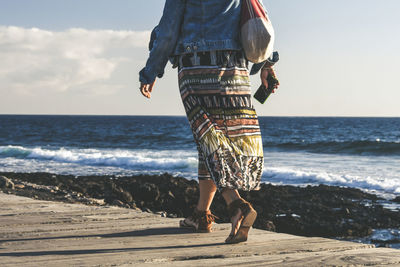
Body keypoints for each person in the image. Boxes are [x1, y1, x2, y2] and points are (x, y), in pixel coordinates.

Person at [139, 0, 279, 244]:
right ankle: (201, 215)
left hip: (197, 65)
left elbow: (169, 29)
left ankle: (236, 204)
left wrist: (151, 71)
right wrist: (267, 63)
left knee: (208, 138)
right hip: (236, 68)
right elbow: (257, 16)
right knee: (213, 140)